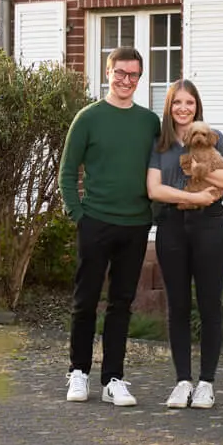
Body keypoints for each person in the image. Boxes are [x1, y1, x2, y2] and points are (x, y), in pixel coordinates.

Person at [59, 47, 162, 407]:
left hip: (135, 225)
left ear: (140, 79)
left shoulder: (149, 122)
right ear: (107, 73)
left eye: (133, 75)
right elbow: (67, 173)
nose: (126, 81)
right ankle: (78, 373)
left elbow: (162, 169)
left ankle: (113, 379)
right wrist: (78, 215)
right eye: (120, 73)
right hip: (95, 222)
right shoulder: (88, 118)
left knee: (122, 303)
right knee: (85, 300)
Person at [145, 79, 223, 409]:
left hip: (210, 225)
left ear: (196, 106)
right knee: (178, 306)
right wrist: (191, 195)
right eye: (177, 102)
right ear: (169, 107)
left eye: (189, 102)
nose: (183, 108)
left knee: (210, 304)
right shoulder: (161, 144)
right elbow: (154, 190)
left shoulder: (214, 137)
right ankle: (182, 381)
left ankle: (206, 383)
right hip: (172, 225)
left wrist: (203, 172)